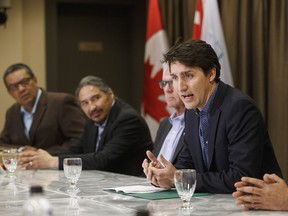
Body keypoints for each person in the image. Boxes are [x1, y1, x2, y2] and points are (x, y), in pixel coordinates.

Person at [142, 39, 282, 193]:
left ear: (211, 74)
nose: (180, 87)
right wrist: (162, 175)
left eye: (188, 76)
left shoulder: (240, 108)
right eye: (175, 78)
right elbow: (187, 164)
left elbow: (241, 177)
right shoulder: (191, 111)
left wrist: (177, 178)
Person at [19, 75, 153, 176]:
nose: (92, 107)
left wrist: (52, 162)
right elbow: (76, 149)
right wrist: (40, 155)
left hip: (131, 188)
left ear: (110, 93)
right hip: (105, 184)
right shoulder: (93, 119)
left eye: (96, 98)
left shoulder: (127, 119)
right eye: (85, 103)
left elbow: (103, 159)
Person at [0, 63, 85, 151]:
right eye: (14, 87)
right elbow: (2, 144)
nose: (21, 89)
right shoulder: (12, 112)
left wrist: (42, 155)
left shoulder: (61, 102)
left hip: (57, 163)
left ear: (35, 79)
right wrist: (21, 150)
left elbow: (80, 139)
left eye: (25, 82)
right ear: (9, 92)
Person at [153, 64, 185, 164]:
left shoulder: (199, 123)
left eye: (172, 82)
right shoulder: (165, 124)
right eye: (164, 83)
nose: (167, 89)